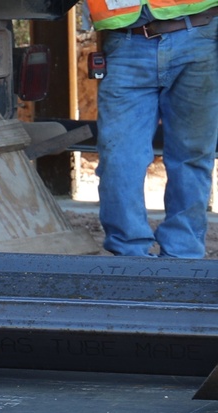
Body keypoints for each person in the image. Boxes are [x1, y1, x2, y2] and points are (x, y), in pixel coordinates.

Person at [88, 0, 218, 258]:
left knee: (192, 155)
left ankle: (183, 255)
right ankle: (129, 255)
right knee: (119, 157)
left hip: (199, 34)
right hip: (125, 39)